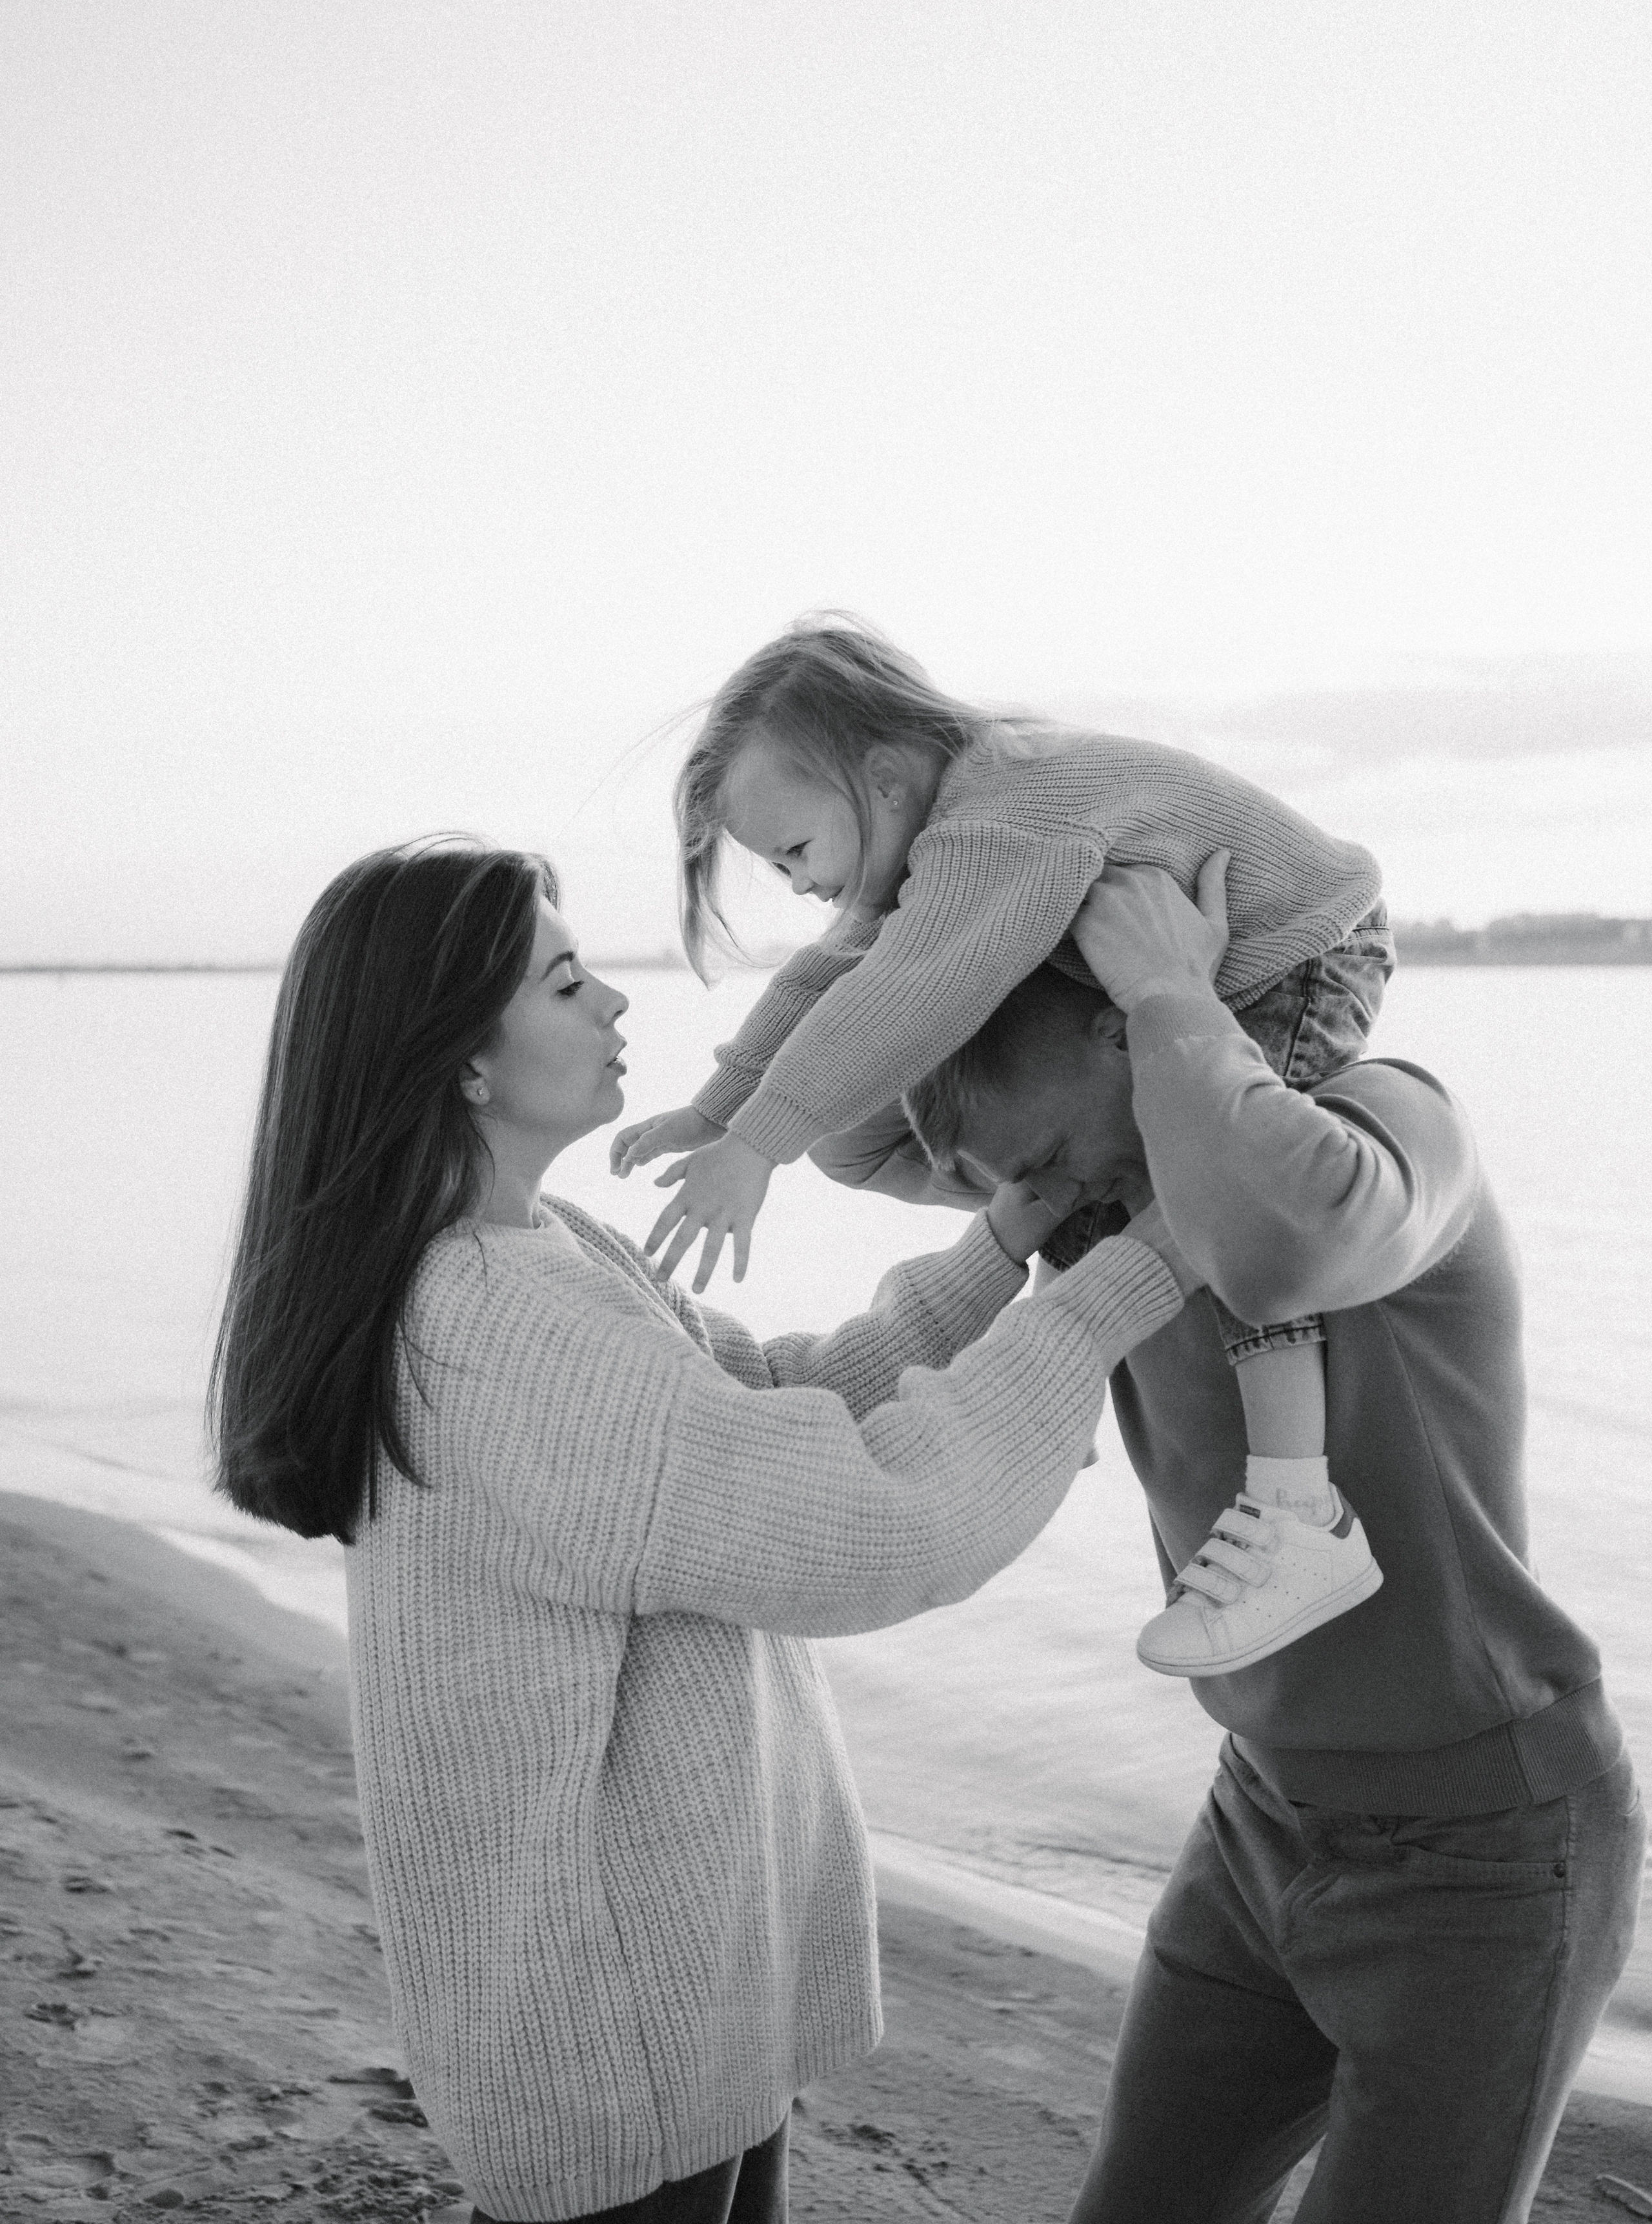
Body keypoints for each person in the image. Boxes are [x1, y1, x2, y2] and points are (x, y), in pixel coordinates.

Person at [206, 835, 1196, 2224]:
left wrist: (1000, 1250)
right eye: (565, 984)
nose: (614, 1001)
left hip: (676, 1971)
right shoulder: (491, 1324)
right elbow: (864, 1531)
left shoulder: (537, 1251)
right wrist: (1121, 1289)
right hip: (609, 2015)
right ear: (463, 1064)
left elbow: (763, 1402)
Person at [897, 858, 1645, 2224]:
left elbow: (1294, 1236)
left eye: (1050, 1158)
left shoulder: (1384, 1121)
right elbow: (855, 1141)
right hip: (1256, 1817)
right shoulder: (1114, 1216)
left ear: (1122, 1034)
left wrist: (1169, 989)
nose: (1052, 1197)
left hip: (1486, 1852)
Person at [614, 611, 1391, 1676]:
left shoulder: (1001, 822)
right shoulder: (950, 822)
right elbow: (825, 975)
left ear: (884, 780)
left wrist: (759, 1143)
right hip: (1219, 970)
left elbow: (903, 997)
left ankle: (1302, 1511)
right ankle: (1049, 1392)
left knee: (1227, 1205)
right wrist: (719, 1109)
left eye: (795, 850)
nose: (795, 884)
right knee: (1112, 1186)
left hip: (1301, 956)